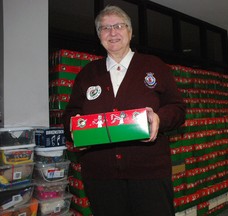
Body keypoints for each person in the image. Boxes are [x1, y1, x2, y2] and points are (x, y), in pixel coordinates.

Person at [62, 5, 186, 216]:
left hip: (149, 172)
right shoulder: (87, 73)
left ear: (130, 32)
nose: (112, 32)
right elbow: (71, 114)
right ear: (99, 35)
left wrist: (159, 118)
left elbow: (178, 108)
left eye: (119, 26)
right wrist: (74, 128)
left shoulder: (155, 66)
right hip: (100, 175)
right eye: (105, 28)